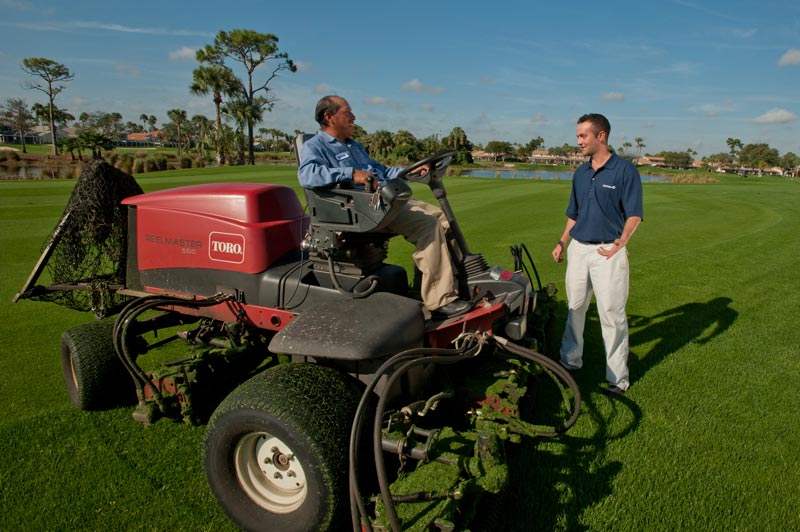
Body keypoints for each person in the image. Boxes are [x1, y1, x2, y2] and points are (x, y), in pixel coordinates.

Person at [298, 95, 471, 318]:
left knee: (444, 220)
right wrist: (351, 173)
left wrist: (409, 172)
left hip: (382, 204)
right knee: (427, 226)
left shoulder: (354, 146)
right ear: (329, 117)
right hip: (360, 211)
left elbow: (380, 170)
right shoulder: (316, 146)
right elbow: (308, 175)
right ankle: (439, 302)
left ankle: (438, 286)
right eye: (347, 112)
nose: (354, 117)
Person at [551, 113, 643, 397]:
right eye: (578, 135)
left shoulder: (625, 171)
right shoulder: (580, 173)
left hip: (608, 253)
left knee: (612, 315)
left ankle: (617, 378)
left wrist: (622, 242)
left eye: (583, 136)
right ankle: (570, 361)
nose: (578, 141)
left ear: (600, 136)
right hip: (579, 250)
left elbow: (635, 214)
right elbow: (574, 214)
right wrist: (562, 242)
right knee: (575, 308)